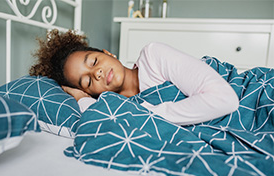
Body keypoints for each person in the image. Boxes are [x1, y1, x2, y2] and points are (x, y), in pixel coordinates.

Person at [30, 29, 239, 125]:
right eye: (88, 81)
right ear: (89, 93)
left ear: (108, 53)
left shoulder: (153, 56)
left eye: (94, 62)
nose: (97, 73)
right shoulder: (111, 107)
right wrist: (81, 99)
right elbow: (99, 117)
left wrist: (152, 114)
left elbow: (225, 99)